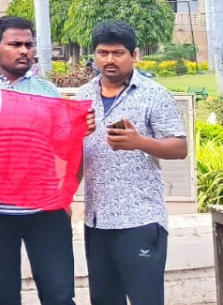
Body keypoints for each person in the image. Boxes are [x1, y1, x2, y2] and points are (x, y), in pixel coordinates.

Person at [0, 16, 94, 305]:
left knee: (59, 295)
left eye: (29, 45)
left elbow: (63, 147)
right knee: (4, 296)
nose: (24, 51)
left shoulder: (47, 91)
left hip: (45, 211)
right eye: (15, 44)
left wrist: (80, 128)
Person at [77, 21, 187, 305]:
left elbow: (179, 147)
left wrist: (140, 142)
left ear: (134, 55)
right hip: (97, 220)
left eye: (118, 53)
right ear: (95, 55)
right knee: (104, 300)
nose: (110, 60)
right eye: (103, 52)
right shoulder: (83, 96)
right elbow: (77, 151)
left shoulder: (153, 94)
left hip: (139, 219)